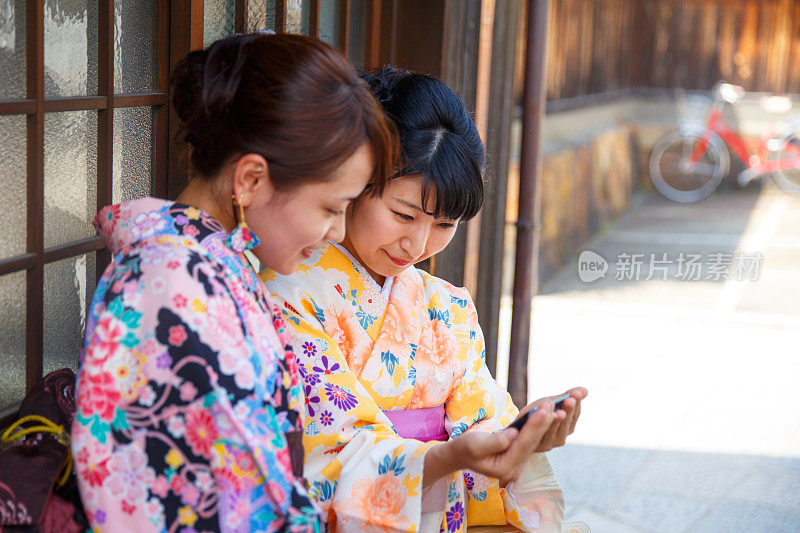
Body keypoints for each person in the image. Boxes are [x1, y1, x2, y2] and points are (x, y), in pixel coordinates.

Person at [71, 34, 397, 532]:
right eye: (332, 208)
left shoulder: (205, 268)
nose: (337, 231)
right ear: (249, 180)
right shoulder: (174, 284)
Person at [262, 66, 587, 532]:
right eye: (403, 213)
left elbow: (481, 419)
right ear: (356, 183)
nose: (417, 246)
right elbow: (322, 454)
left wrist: (520, 437)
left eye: (443, 225)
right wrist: (443, 456)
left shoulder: (448, 307)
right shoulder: (288, 294)